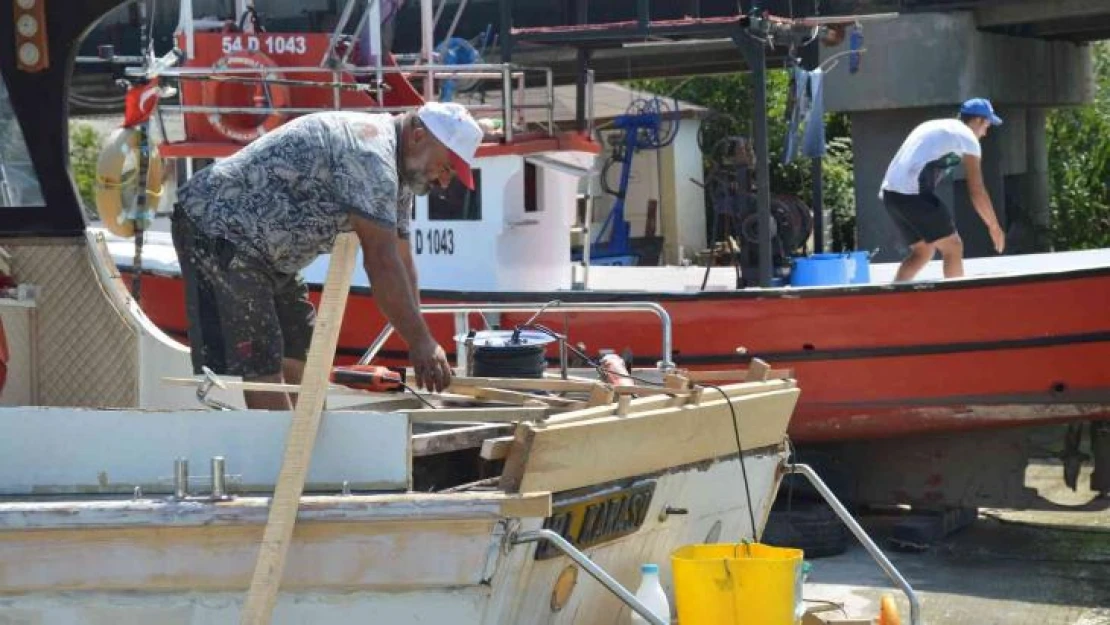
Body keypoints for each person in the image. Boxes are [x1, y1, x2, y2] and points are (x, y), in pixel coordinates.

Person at [170, 101, 483, 410]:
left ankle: (305, 445)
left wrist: (420, 338)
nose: (444, 181)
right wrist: (420, 342)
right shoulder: (371, 155)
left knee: (304, 355)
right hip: (217, 227)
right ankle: (284, 453)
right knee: (262, 363)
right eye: (446, 167)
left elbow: (402, 260)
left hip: (268, 251)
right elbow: (381, 261)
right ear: (418, 136)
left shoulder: (399, 172)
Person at [879, 97, 1006, 281]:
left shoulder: (938, 126)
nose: (985, 133)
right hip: (912, 194)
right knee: (953, 247)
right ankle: (957, 304)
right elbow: (977, 190)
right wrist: (994, 226)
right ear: (978, 120)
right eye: (986, 125)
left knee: (923, 250)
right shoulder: (968, 138)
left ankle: (896, 297)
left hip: (891, 194)